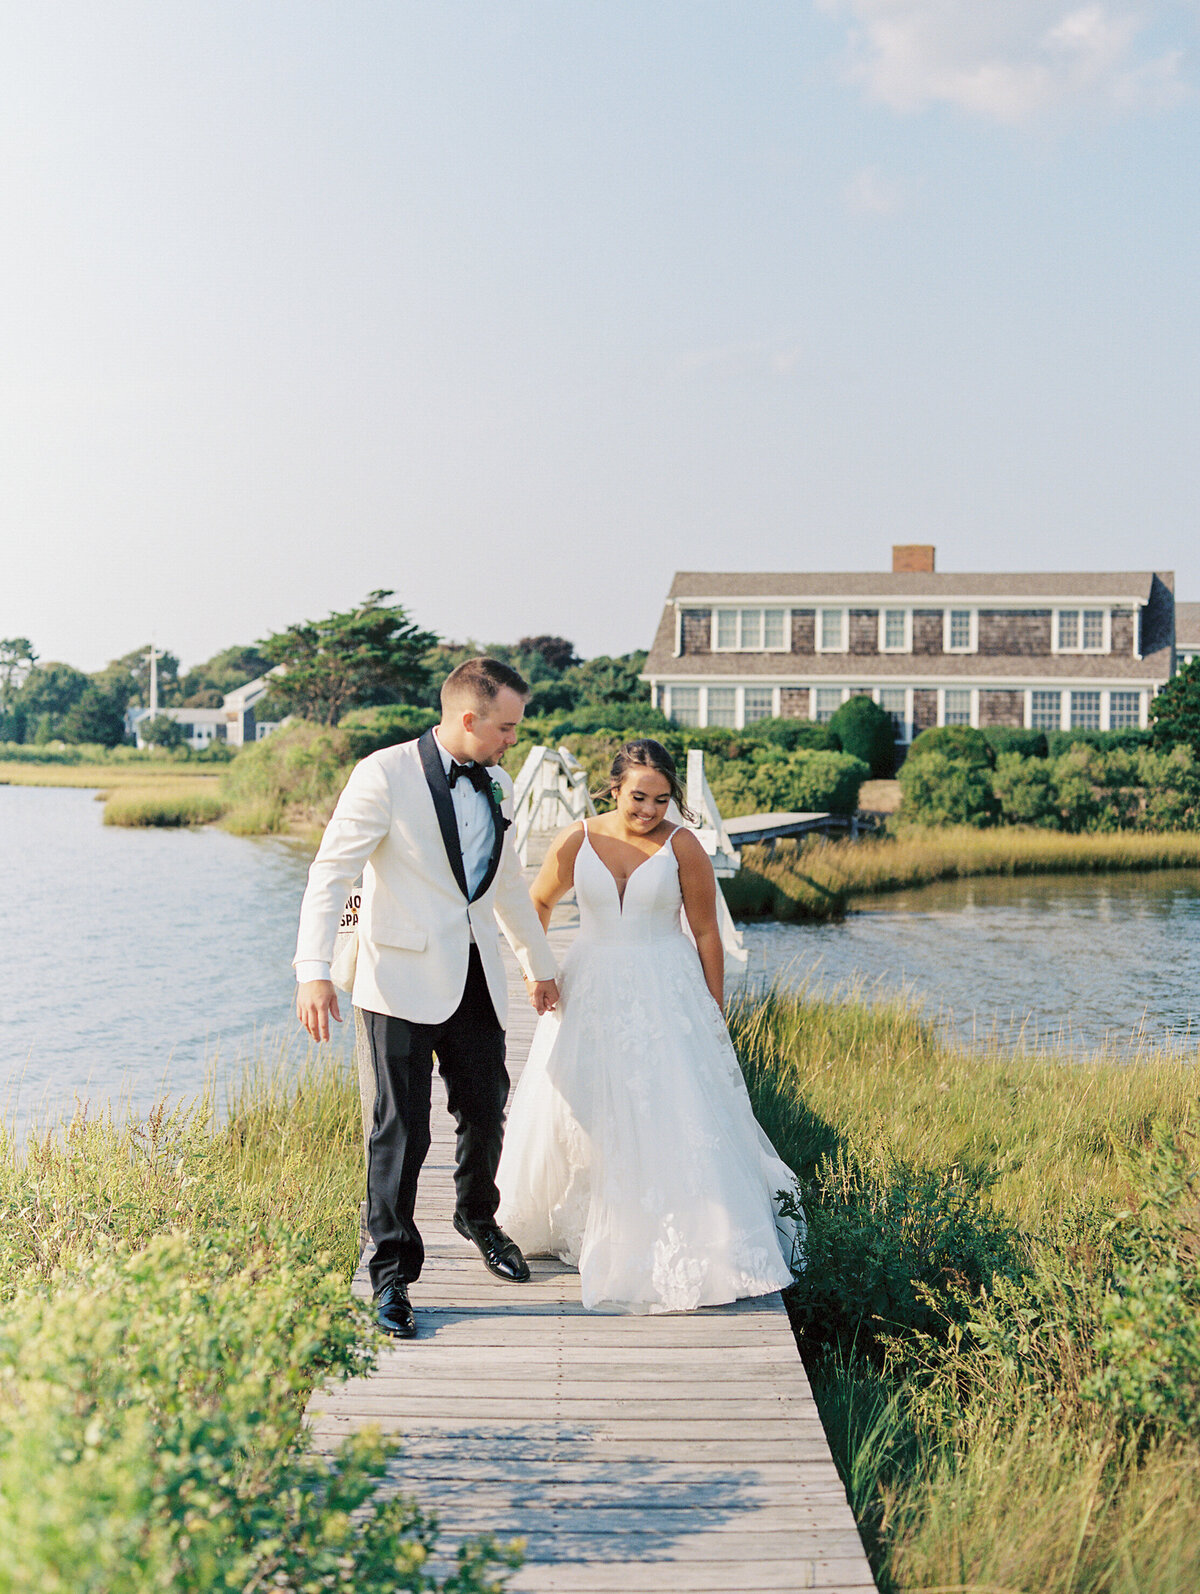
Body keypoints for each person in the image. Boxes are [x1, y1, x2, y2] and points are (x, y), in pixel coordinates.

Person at [294, 658, 560, 1339]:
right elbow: (333, 872)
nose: (512, 742)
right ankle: (391, 1275)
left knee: (487, 1106)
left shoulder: (498, 783)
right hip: (397, 978)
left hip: (474, 974)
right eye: (505, 728)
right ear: (468, 719)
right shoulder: (381, 775)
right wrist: (313, 969)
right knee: (400, 1131)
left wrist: (537, 963)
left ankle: (477, 1215)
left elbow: (505, 885)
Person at [497, 738, 803, 1314]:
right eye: (639, 797)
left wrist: (713, 1010)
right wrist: (537, 971)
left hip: (665, 988)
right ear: (615, 788)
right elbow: (534, 904)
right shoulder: (577, 838)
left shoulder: (683, 846)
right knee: (583, 1101)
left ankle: (675, 1229)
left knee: (665, 1104)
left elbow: (707, 932)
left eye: (662, 800)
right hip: (587, 983)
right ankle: (587, 1218)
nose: (649, 810)